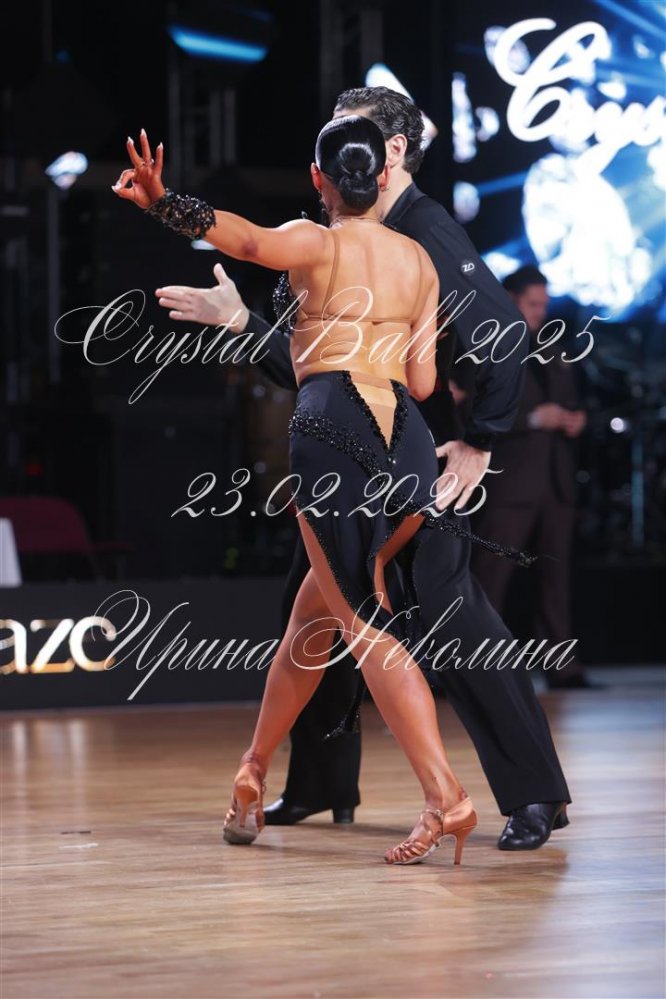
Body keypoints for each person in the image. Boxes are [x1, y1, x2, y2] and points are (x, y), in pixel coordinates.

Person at [153, 87, 572, 852]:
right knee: (313, 609)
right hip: (375, 436)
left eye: (360, 135)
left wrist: (480, 439)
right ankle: (317, 782)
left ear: (392, 154)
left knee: (439, 613)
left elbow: (505, 334)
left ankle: (517, 792)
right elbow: (322, 360)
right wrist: (244, 322)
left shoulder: (424, 228)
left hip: (413, 455)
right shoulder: (361, 235)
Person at [112, 116, 484, 866]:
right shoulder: (420, 262)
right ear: (385, 176)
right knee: (313, 622)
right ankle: (251, 774)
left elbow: (247, 241)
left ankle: (447, 797)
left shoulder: (318, 241)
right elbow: (422, 381)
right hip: (406, 437)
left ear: (319, 180)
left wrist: (163, 201)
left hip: (335, 430)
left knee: (363, 623)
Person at [460, 265, 591, 689]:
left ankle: (561, 666)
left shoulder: (553, 349)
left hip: (555, 480)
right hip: (511, 481)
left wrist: (576, 419)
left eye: (543, 304)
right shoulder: (487, 344)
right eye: (533, 303)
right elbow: (472, 410)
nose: (540, 311)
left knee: (556, 579)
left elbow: (572, 400)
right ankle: (478, 666)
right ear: (511, 299)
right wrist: (534, 418)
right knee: (491, 575)